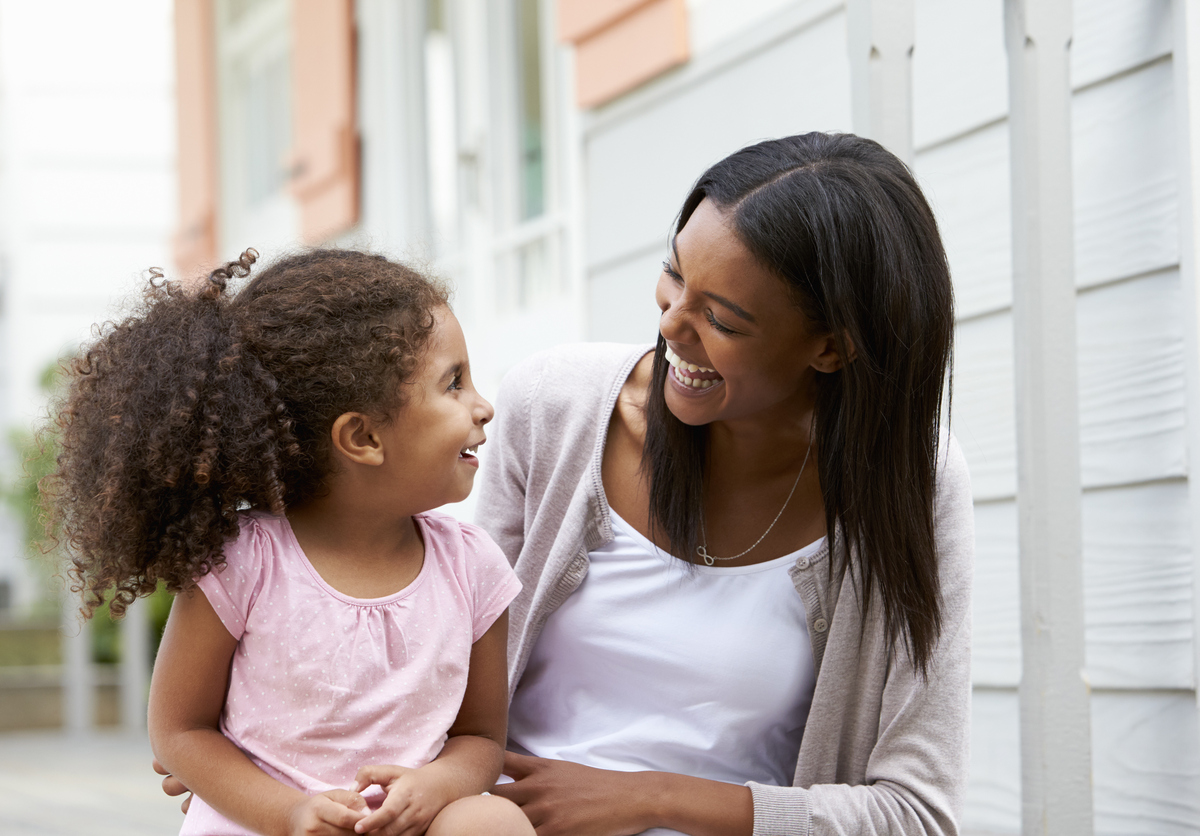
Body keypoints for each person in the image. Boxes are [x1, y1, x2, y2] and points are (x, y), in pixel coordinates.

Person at [477, 132, 974, 836]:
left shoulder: (912, 486)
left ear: (831, 347)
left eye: (721, 318)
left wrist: (651, 798)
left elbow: (914, 815)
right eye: (674, 276)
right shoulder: (553, 408)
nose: (671, 325)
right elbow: (430, 680)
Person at [47, 250, 535, 836]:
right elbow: (178, 731)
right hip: (267, 823)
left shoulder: (473, 566)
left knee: (492, 820)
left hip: (405, 826)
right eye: (453, 383)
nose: (482, 406)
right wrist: (291, 813)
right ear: (362, 437)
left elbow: (480, 737)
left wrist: (438, 786)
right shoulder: (245, 561)